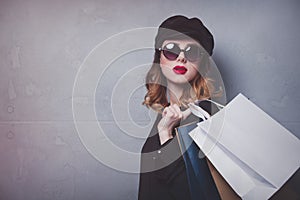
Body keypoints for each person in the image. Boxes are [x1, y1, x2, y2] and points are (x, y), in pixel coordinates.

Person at [138, 15, 228, 200]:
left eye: (191, 51)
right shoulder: (166, 112)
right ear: (159, 57)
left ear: (201, 63)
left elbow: (195, 191)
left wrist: (165, 135)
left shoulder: (208, 117)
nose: (181, 58)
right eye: (171, 50)